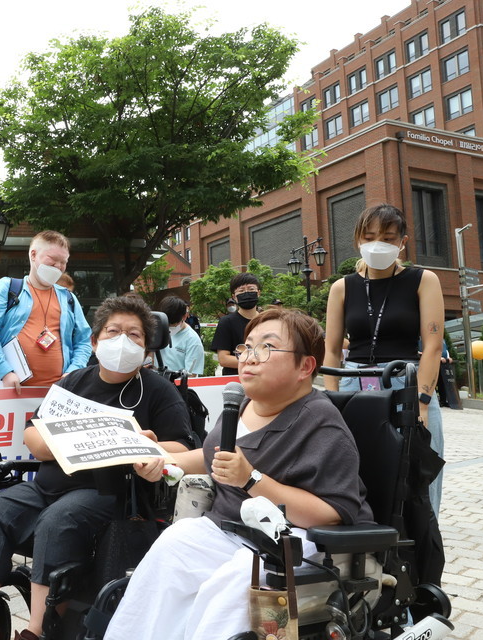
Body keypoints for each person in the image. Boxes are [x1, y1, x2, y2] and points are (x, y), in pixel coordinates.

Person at [0, 296, 195, 640]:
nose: (122, 341)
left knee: (58, 520)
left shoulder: (157, 390)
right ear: (95, 341)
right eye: (113, 331)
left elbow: (185, 449)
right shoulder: (72, 384)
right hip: (48, 486)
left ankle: (38, 631)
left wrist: (147, 447)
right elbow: (34, 434)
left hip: (109, 493)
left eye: (134, 335)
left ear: (147, 350)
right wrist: (66, 441)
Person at [104, 309, 373, 640]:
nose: (249, 358)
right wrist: (155, 453)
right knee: (171, 548)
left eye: (267, 348)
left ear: (305, 367)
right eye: (246, 347)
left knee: (234, 583)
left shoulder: (322, 424)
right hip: (231, 530)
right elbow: (209, 460)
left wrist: (252, 479)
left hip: (293, 543)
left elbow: (331, 514)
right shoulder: (242, 404)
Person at [323, 203, 445, 516]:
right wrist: (331, 399)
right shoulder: (342, 287)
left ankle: (421, 539)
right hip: (354, 383)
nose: (379, 243)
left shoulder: (423, 280)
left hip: (407, 379)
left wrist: (421, 401)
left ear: (403, 241)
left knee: (420, 463)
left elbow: (432, 345)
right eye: (370, 235)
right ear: (357, 240)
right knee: (355, 463)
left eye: (390, 237)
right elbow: (332, 349)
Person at [0, 230, 91, 394]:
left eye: (63, 262)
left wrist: (73, 371)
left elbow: (84, 340)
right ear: (33, 255)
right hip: (7, 390)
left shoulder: (68, 298)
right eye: (53, 260)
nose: (58, 267)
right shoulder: (7, 287)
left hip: (55, 394)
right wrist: (5, 372)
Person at [211, 273, 262, 375]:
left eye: (251, 289)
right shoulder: (226, 322)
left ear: (258, 292)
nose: (247, 293)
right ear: (234, 297)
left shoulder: (267, 321)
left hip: (264, 379)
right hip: (235, 381)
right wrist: (258, 362)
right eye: (241, 291)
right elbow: (224, 359)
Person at [158, 296, 204, 375]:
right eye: (167, 324)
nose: (169, 328)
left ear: (185, 316)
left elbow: (191, 375)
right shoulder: (157, 331)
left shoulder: (192, 340)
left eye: (173, 324)